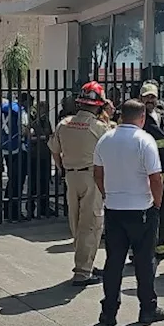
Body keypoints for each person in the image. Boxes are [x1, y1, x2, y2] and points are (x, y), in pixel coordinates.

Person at [95, 99, 164, 326]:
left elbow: (98, 174)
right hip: (141, 208)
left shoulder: (105, 139)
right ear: (141, 118)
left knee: (114, 262)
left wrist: (108, 194)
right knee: (144, 261)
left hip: (114, 208)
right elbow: (156, 178)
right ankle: (147, 308)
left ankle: (109, 311)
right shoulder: (145, 140)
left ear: (121, 117)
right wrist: (157, 204)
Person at [49, 83, 111, 286]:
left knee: (75, 222)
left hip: (71, 176)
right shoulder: (99, 127)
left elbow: (55, 151)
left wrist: (62, 170)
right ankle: (83, 271)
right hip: (91, 177)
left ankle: (86, 264)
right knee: (91, 224)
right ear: (99, 105)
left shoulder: (64, 123)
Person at [141, 83, 164, 260]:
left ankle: (161, 246)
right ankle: (142, 251)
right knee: (148, 213)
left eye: (152, 96)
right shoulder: (139, 118)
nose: (150, 99)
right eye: (147, 96)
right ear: (141, 98)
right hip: (148, 175)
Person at [0, 92, 32, 221]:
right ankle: (15, 212)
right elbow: (24, 130)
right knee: (18, 181)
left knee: (11, 180)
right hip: (19, 148)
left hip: (6, 146)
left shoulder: (6, 108)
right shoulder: (21, 111)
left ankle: (7, 209)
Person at [27, 97, 56, 219]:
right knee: (33, 183)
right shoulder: (33, 120)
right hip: (35, 155)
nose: (45, 111)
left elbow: (49, 134)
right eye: (43, 108)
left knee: (44, 182)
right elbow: (30, 136)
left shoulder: (46, 120)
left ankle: (44, 207)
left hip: (45, 155)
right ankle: (31, 208)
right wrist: (43, 136)